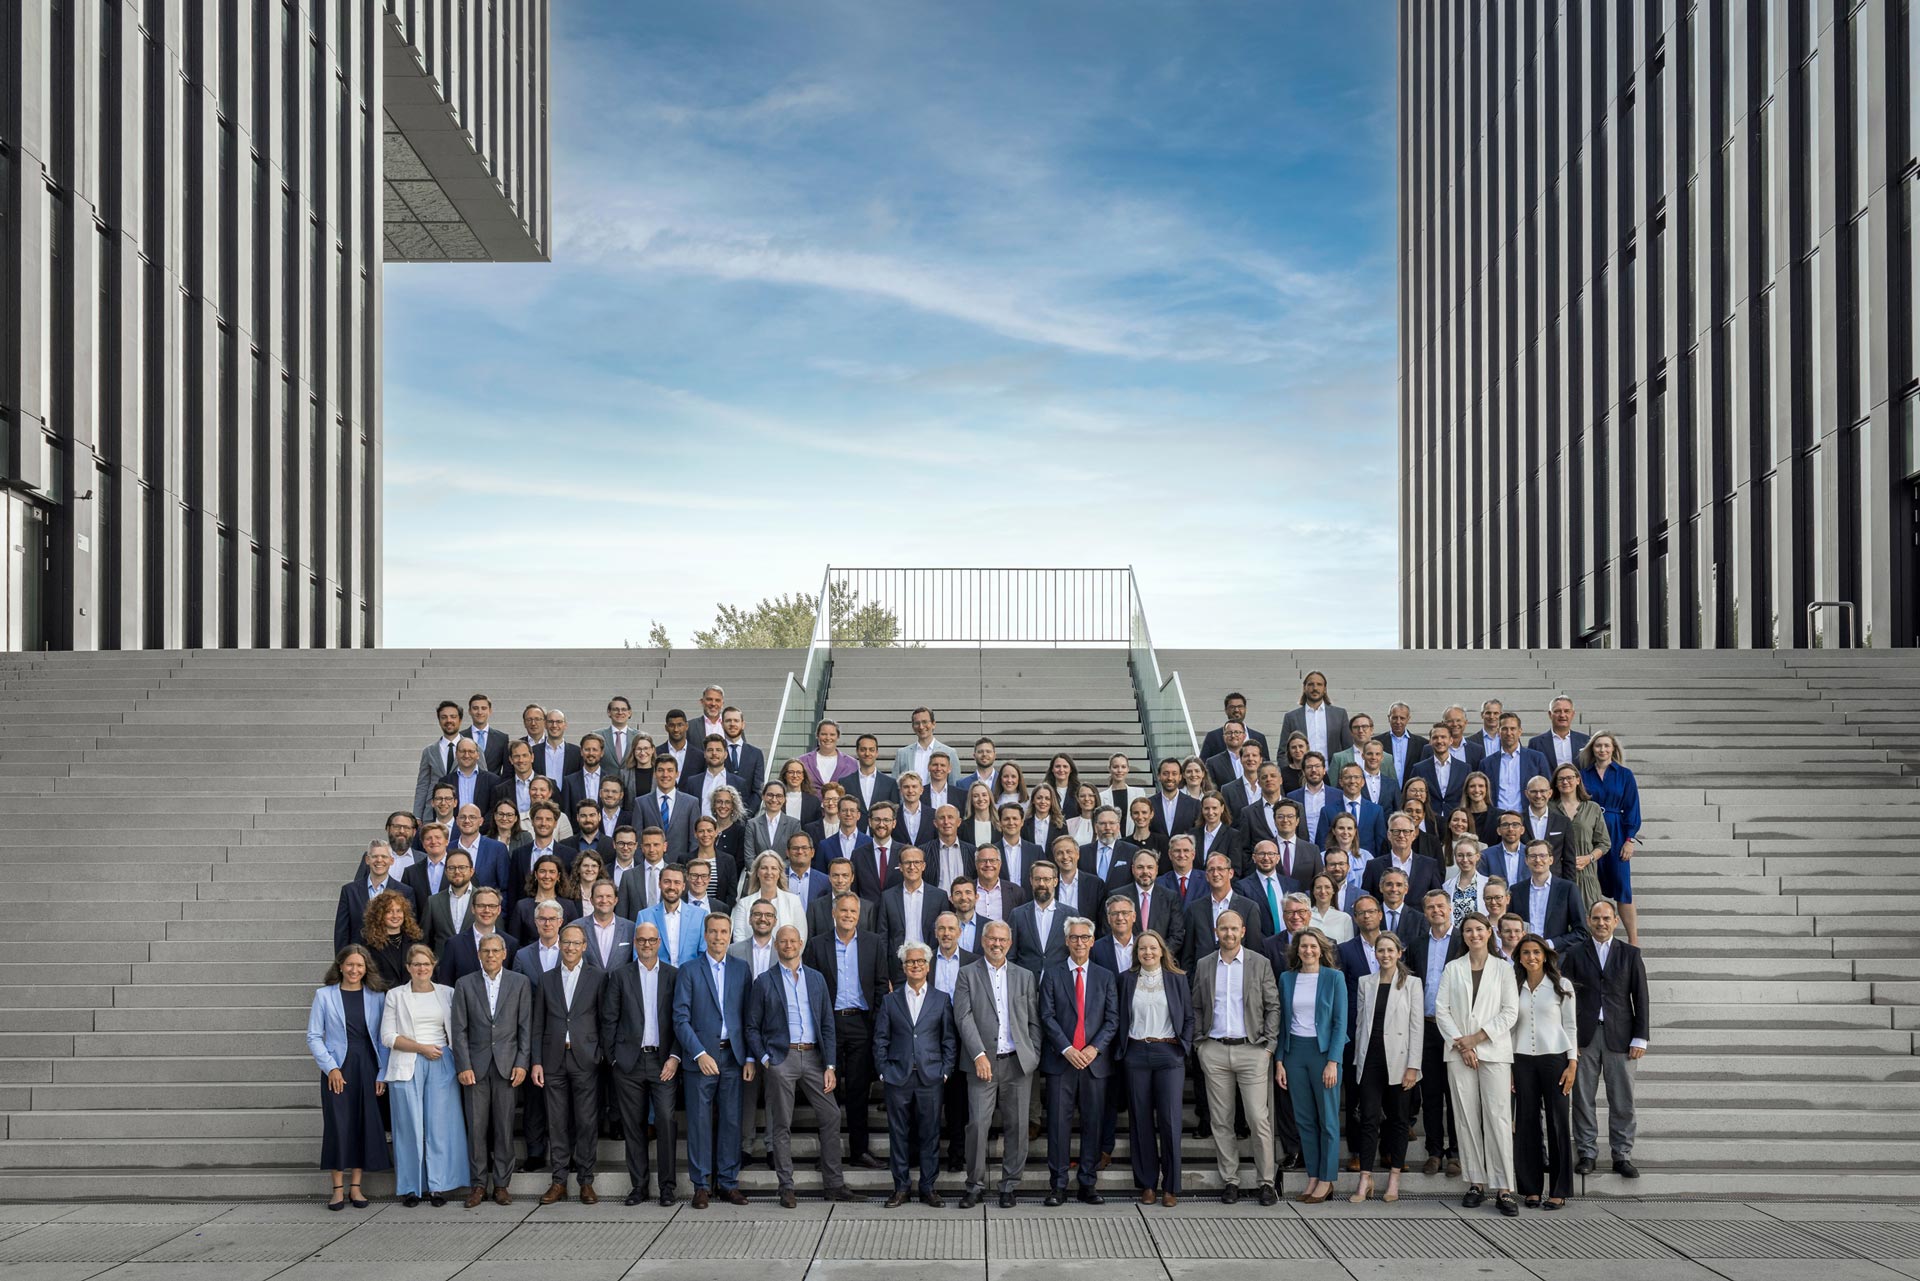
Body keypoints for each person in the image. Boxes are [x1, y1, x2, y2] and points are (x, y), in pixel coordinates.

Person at [746, 924, 860, 1207]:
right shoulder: (764, 981)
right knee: (781, 1124)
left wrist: (830, 1065)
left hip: (813, 1058)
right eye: (783, 941)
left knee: (831, 1115)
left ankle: (834, 1184)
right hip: (781, 1058)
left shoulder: (816, 979)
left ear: (801, 944)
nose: (788, 945)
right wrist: (765, 1060)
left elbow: (827, 1024)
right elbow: (752, 1027)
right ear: (776, 946)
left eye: (792, 941)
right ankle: (786, 1186)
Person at [1191, 910, 1281, 1205]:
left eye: (1234, 929)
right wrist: (1200, 1044)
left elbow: (1273, 1006)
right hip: (1215, 1050)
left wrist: (1268, 1046)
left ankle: (1266, 1182)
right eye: (1223, 929)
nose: (1228, 934)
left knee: (1258, 1118)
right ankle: (1230, 1180)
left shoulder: (1259, 963)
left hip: (1252, 1050)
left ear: (1242, 931)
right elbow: (1196, 1007)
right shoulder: (1205, 964)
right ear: (1216, 931)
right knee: (1221, 1120)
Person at [1435, 912, 1521, 1216]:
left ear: (1489, 933)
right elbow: (1441, 1010)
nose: (1474, 935)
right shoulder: (1453, 968)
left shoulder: (1503, 969)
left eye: (1479, 930)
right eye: (1468, 930)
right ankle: (1476, 1183)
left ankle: (1504, 1188)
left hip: (1494, 1051)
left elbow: (1510, 1012)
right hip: (1459, 1053)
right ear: (1464, 936)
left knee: (1498, 1117)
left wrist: (1477, 1038)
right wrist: (1462, 1044)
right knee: (1466, 1117)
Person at [952, 920, 1042, 1208]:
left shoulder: (1024, 976)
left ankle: (1009, 1186)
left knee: (1018, 1126)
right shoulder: (967, 973)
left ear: (1010, 943)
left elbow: (1033, 1019)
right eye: (992, 939)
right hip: (982, 1064)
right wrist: (978, 1054)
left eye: (1003, 940)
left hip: (1017, 1063)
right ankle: (974, 1186)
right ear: (983, 941)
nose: (997, 944)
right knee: (978, 1126)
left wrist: (1033, 1054)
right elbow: (963, 1017)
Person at [1560, 898, 1650, 1179]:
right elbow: (1565, 998)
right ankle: (1587, 1153)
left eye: (1606, 918)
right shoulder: (1574, 954)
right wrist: (1568, 1039)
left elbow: (1641, 997)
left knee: (1622, 1099)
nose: (1601, 923)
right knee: (1583, 1098)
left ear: (1616, 921)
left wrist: (1640, 1037)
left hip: (1621, 1037)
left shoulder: (1630, 954)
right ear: (1588, 921)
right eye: (1596, 918)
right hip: (1583, 1037)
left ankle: (1622, 1155)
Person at [671, 912, 751, 1208]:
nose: (718, 937)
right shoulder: (689, 970)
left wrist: (750, 1057)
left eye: (724, 932)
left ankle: (728, 1183)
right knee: (699, 1123)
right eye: (713, 932)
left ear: (730, 935)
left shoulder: (741, 969)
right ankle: (701, 1185)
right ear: (705, 935)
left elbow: (749, 1016)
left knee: (731, 1121)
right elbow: (680, 1018)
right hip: (701, 1058)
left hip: (733, 1055)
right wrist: (699, 1053)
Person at [380, 943, 469, 1208]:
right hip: (407, 1063)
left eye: (426, 964)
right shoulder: (395, 995)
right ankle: (411, 1187)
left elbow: (458, 1030)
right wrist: (421, 1048)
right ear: (408, 967)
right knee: (409, 1127)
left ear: (433, 965)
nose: (422, 968)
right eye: (416, 964)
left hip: (442, 1062)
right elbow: (388, 1036)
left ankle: (438, 1185)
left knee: (440, 1126)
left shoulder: (447, 993)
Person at [1038, 916, 1117, 1206]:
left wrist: (1094, 1049)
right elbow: (1046, 1016)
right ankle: (1058, 1185)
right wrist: (1067, 1048)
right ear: (1066, 941)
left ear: (1092, 941)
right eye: (1074, 937)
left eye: (1084, 937)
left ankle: (1087, 1183)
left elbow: (1112, 1019)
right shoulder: (1052, 974)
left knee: (1092, 1124)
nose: (1079, 942)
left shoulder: (1105, 976)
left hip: (1094, 1064)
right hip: (1062, 1062)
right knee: (1058, 1125)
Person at [449, 933, 532, 1207]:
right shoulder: (464, 984)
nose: (491, 955)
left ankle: (502, 1185)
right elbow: (459, 1030)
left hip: (508, 1066)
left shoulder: (520, 983)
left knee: (504, 1127)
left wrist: (522, 1063)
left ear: (504, 954)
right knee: (476, 1127)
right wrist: (463, 1065)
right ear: (479, 954)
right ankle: (478, 1185)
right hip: (476, 1067)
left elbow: (525, 1027)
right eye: (486, 951)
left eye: (496, 950)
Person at [305, 945, 390, 1210]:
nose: (355, 970)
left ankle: (356, 1187)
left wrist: (382, 1073)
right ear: (340, 966)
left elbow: (382, 1039)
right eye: (350, 964)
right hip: (337, 1069)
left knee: (363, 1124)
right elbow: (314, 1036)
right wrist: (330, 1068)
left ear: (366, 968)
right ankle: (337, 1189)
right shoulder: (324, 996)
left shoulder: (376, 996)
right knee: (338, 1125)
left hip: (367, 1065)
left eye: (360, 965)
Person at [873, 940, 957, 1207]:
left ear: (928, 966)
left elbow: (948, 1039)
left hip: (930, 1077)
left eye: (920, 961)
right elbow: (880, 1039)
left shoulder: (941, 999)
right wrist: (884, 1071)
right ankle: (901, 1188)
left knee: (930, 1134)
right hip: (897, 1077)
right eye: (910, 961)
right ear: (903, 967)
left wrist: (945, 1071)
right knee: (898, 1134)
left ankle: (928, 1187)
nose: (915, 965)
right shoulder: (890, 1000)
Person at [529, 923, 606, 1205]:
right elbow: (538, 1023)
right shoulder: (546, 979)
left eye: (576, 943)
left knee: (586, 1121)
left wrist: (600, 1054)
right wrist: (536, 1061)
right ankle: (559, 1181)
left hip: (586, 1059)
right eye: (566, 943)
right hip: (553, 1059)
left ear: (584, 946)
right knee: (557, 1121)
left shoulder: (598, 977)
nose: (571, 947)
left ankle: (586, 1181)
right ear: (560, 945)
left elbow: (604, 1019)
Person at [1115, 929, 1193, 1205]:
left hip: (1168, 1053)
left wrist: (1183, 1047)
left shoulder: (1177, 979)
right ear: (1136, 953)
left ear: (1162, 951)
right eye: (1142, 948)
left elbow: (1189, 1017)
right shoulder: (1126, 980)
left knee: (1170, 1121)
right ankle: (1147, 1184)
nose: (1147, 952)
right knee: (1140, 1121)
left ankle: (1170, 1187)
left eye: (1152, 948)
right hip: (1136, 1053)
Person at [1349, 931, 1422, 1203]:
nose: (1385, 955)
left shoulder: (1412, 984)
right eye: (1381, 950)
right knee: (1368, 1118)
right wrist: (1358, 1059)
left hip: (1400, 1061)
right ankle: (1365, 1178)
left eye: (1391, 950)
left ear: (1399, 953)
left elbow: (1416, 1027)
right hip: (1370, 1060)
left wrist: (1413, 1066)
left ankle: (1393, 1179)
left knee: (1399, 1120)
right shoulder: (1365, 982)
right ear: (1375, 953)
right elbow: (1360, 1025)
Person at [1277, 927, 1347, 1204]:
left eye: (1313, 946)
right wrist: (1280, 1060)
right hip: (1294, 1053)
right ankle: (1313, 1176)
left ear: (1321, 950)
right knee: (1304, 1120)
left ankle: (1327, 1179)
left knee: (1327, 1119)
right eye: (1303, 946)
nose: (1308, 950)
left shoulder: (1334, 977)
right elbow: (1282, 1022)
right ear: (1297, 950)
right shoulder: (1287, 978)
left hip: (1323, 1054)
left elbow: (1340, 1022)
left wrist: (1333, 1061)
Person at [1511, 933, 1579, 1209]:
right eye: (1526, 953)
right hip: (1522, 1060)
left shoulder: (1562, 985)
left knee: (1558, 1121)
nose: (1532, 957)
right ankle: (1531, 1188)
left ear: (1545, 956)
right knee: (1526, 1122)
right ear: (1519, 958)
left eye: (1536, 952)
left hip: (1555, 1059)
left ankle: (1559, 1189)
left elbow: (1571, 1026)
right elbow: (1510, 1028)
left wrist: (1572, 1063)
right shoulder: (1513, 986)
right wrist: (1510, 1067)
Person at [1578, 734, 1642, 945]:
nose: (1602, 749)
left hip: (1616, 830)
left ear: (1613, 748)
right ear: (1592, 749)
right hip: (1590, 831)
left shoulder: (1624, 774)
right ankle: (1594, 940)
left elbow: (1632, 808)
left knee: (1622, 887)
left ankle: (1633, 941)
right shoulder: (1583, 775)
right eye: (1598, 745)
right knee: (1591, 885)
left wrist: (1629, 839)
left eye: (1606, 745)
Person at [336, 841, 418, 955]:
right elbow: (341, 932)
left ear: (391, 860)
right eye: (374, 856)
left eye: (384, 856)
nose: (379, 860)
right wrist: (342, 960)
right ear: (367, 860)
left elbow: (409, 930)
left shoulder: (405, 892)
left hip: (392, 957)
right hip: (359, 958)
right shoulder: (349, 891)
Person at [1551, 764, 1610, 912]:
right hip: (1557, 874)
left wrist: (1589, 858)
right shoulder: (1549, 808)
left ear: (1578, 780)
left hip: (1586, 875)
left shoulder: (1592, 808)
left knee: (1589, 918)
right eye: (1561, 779)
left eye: (1569, 778)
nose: (1565, 782)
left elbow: (1604, 843)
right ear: (1556, 784)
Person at [731, 851, 806, 944]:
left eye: (774, 868)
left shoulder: (793, 901)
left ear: (779, 873)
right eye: (764, 868)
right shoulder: (744, 903)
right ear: (757, 872)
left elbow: (801, 936)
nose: (769, 872)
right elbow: (739, 938)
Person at [361, 890, 424, 990]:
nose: (395, 916)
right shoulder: (369, 943)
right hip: (382, 994)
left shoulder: (415, 940)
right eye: (389, 911)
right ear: (379, 915)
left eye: (399, 911)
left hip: (412, 995)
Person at [1308, 872, 1354, 943]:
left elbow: (1348, 947)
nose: (1323, 891)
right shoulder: (1305, 916)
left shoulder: (1345, 918)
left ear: (1333, 891)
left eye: (1327, 887)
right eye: (1318, 887)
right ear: (1313, 891)